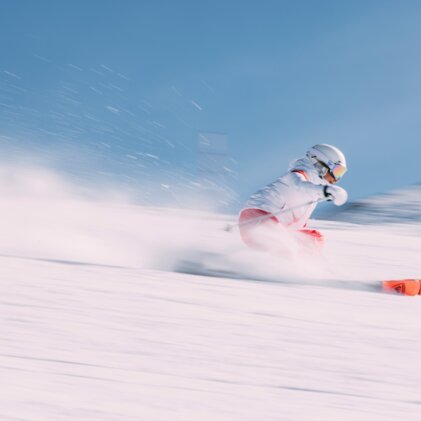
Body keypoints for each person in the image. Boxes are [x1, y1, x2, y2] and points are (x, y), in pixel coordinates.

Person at [239, 144, 348, 256]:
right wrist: (325, 190)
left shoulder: (313, 194)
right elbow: (300, 185)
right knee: (287, 251)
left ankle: (307, 271)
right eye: (336, 171)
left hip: (273, 225)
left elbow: (297, 227)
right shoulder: (299, 174)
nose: (336, 179)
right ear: (322, 163)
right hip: (258, 216)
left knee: (313, 240)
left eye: (340, 174)